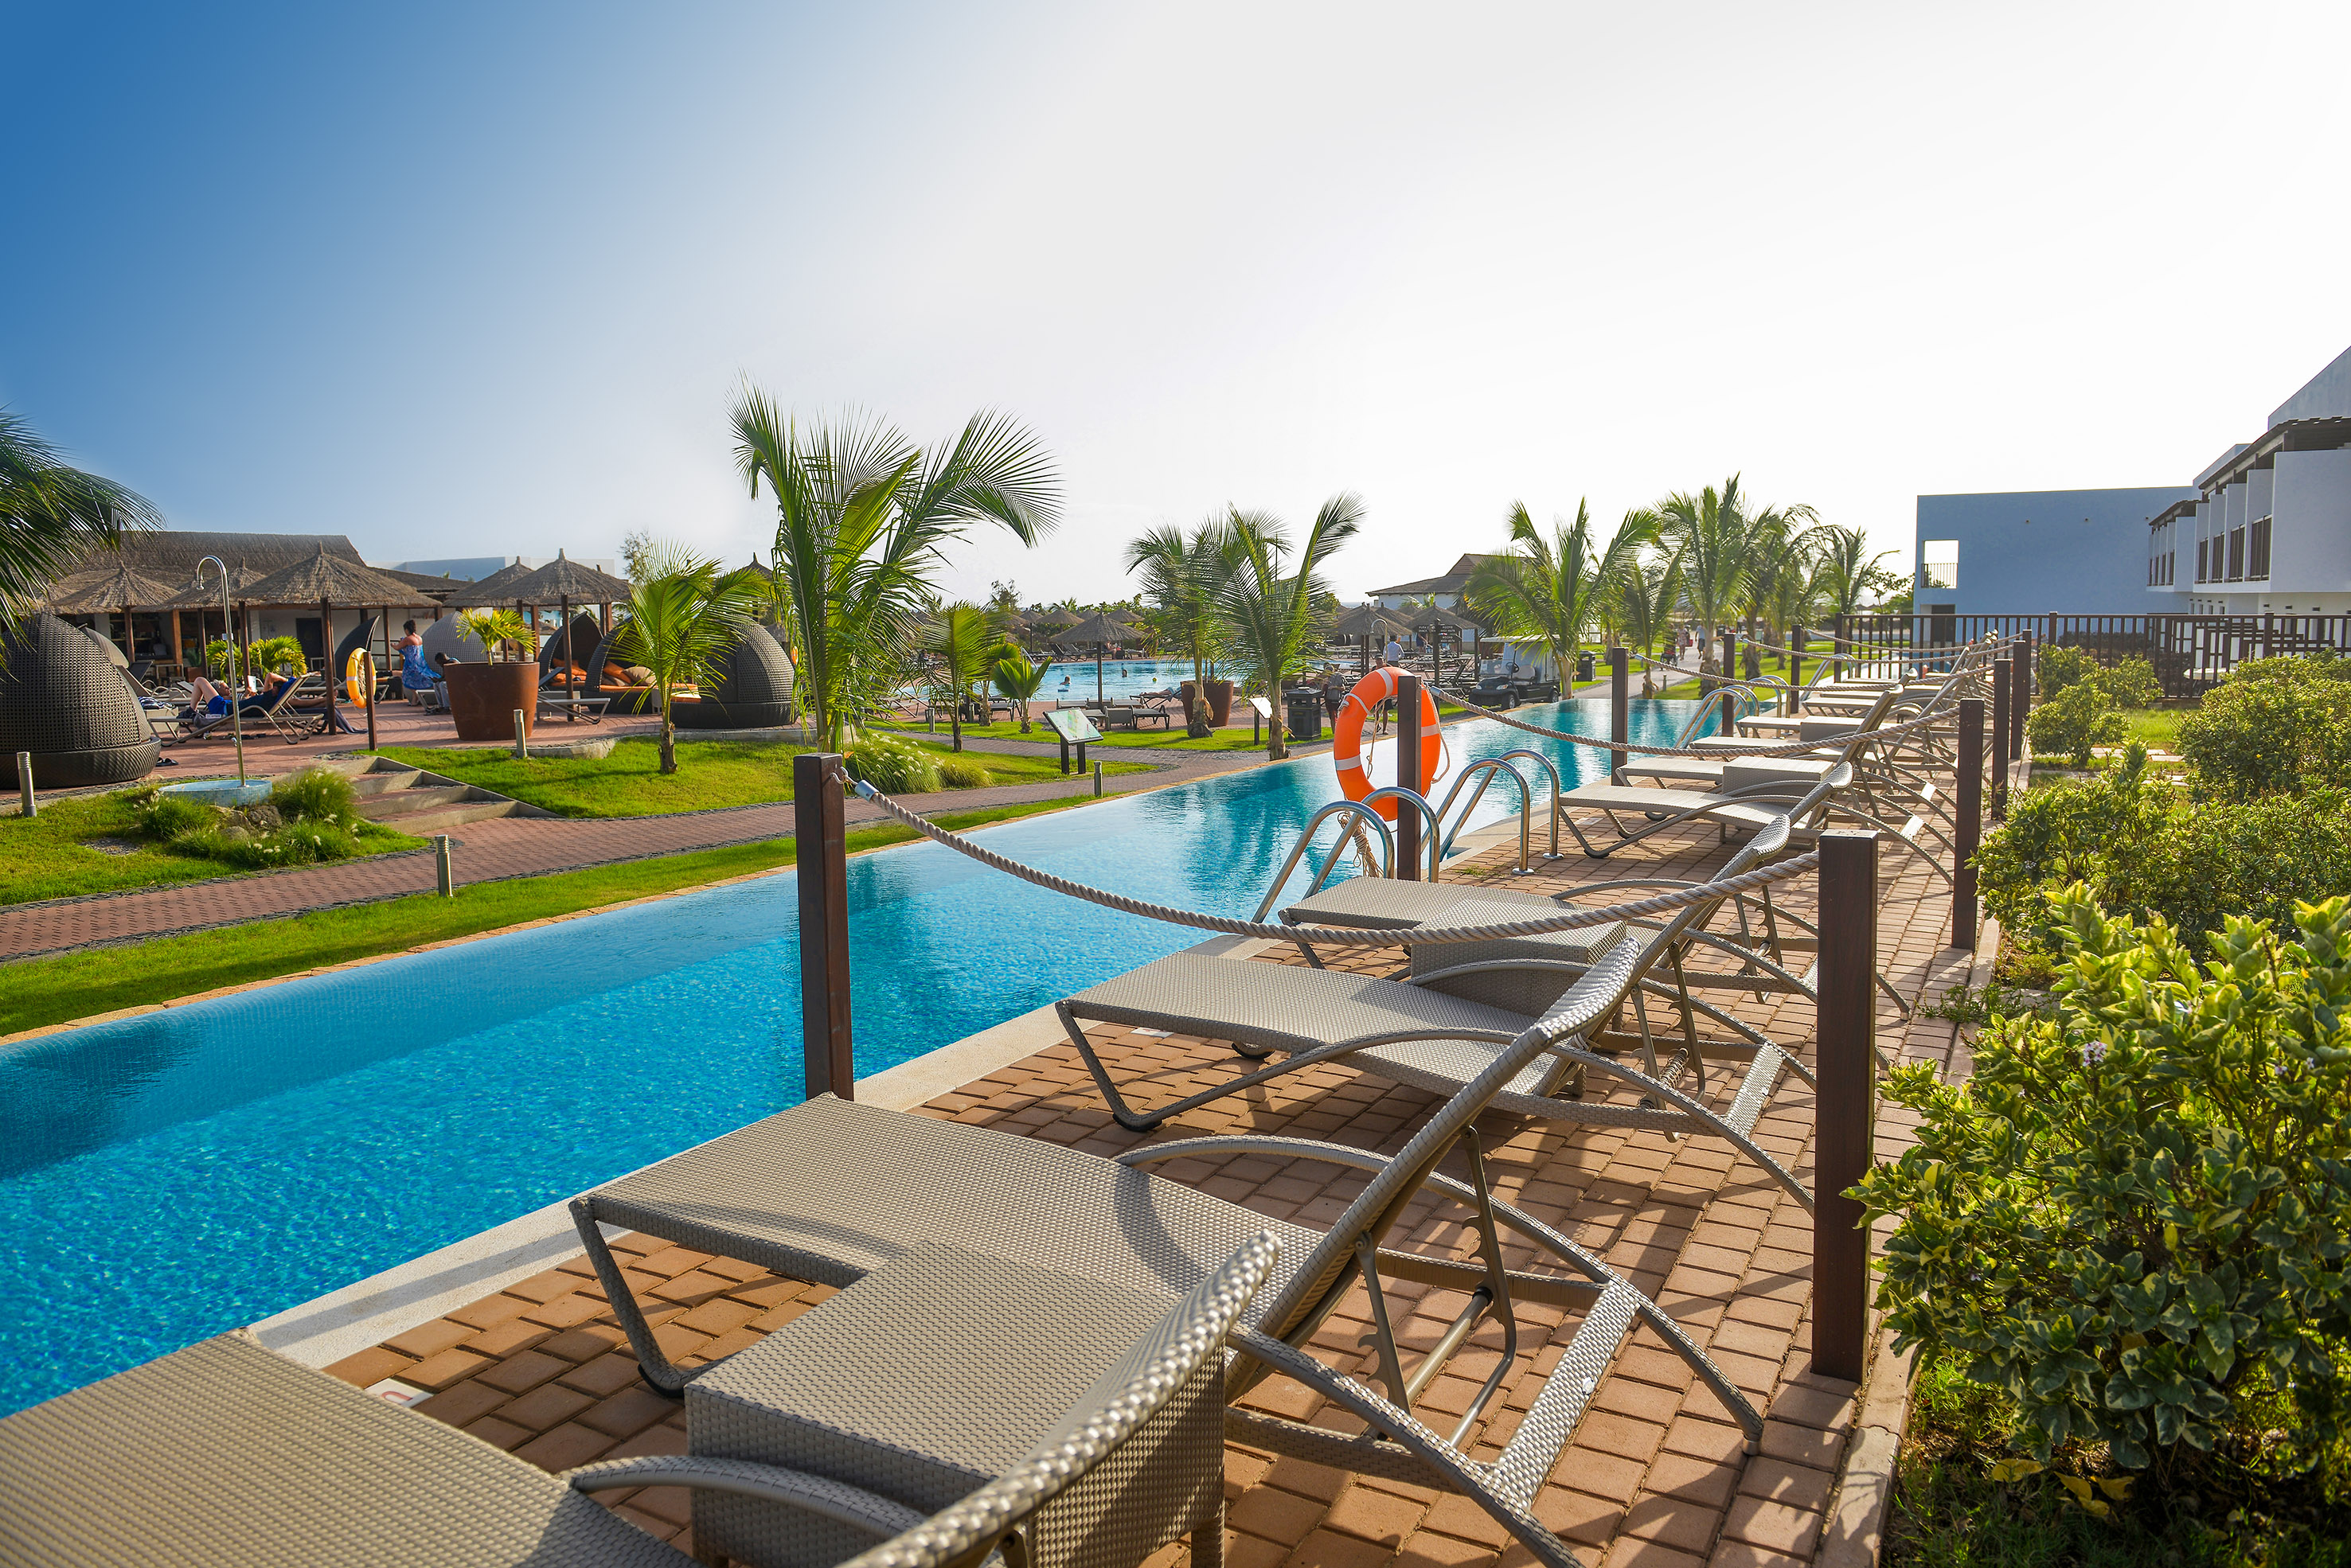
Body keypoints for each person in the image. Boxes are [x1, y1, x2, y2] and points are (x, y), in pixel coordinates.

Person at [398, 620, 438, 700]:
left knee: (407, 679)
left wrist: (393, 645)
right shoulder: (419, 638)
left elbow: (398, 647)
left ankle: (417, 694)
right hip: (421, 662)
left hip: (411, 663)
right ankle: (415, 699)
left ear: (406, 630)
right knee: (419, 678)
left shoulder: (408, 639)